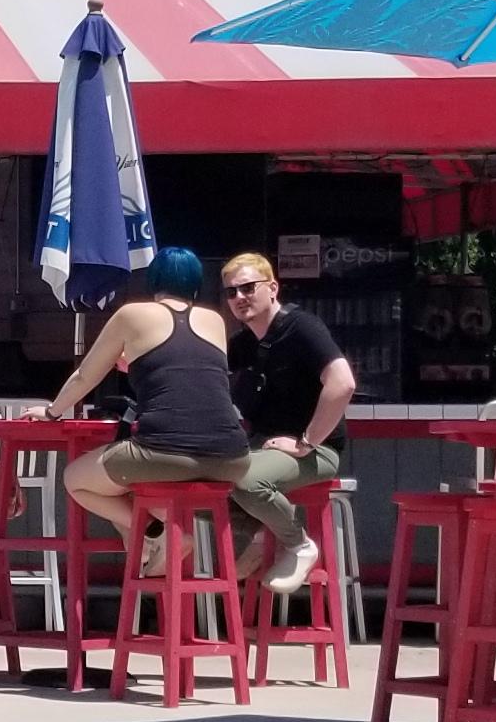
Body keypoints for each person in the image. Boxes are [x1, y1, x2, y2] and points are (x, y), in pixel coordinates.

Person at [46, 248, 313, 589]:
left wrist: (52, 411)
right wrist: (140, 366)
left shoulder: (132, 314)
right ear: (196, 284)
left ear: (153, 280)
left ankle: (158, 535)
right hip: (231, 459)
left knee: (77, 479)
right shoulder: (214, 319)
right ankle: (160, 530)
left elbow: (86, 377)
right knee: (152, 481)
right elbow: (189, 374)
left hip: (164, 451)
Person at [217, 253, 353, 592]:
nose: (239, 298)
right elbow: (203, 375)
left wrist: (307, 441)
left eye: (248, 287)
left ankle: (298, 544)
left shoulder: (302, 327)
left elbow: (343, 382)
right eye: (231, 292)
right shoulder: (243, 343)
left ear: (273, 288)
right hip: (263, 447)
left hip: (315, 452)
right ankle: (259, 537)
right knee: (202, 486)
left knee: (246, 480)